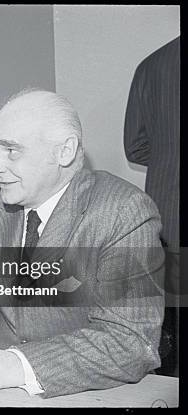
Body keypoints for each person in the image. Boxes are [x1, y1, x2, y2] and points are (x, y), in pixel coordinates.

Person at [0, 89, 165, 398]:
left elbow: (130, 343)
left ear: (64, 152)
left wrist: (11, 366)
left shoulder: (125, 211)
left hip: (84, 386)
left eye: (11, 150)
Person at [124, 36, 180, 377]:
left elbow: (135, 148)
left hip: (167, 219)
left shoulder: (151, 64)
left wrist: (168, 159)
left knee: (170, 328)